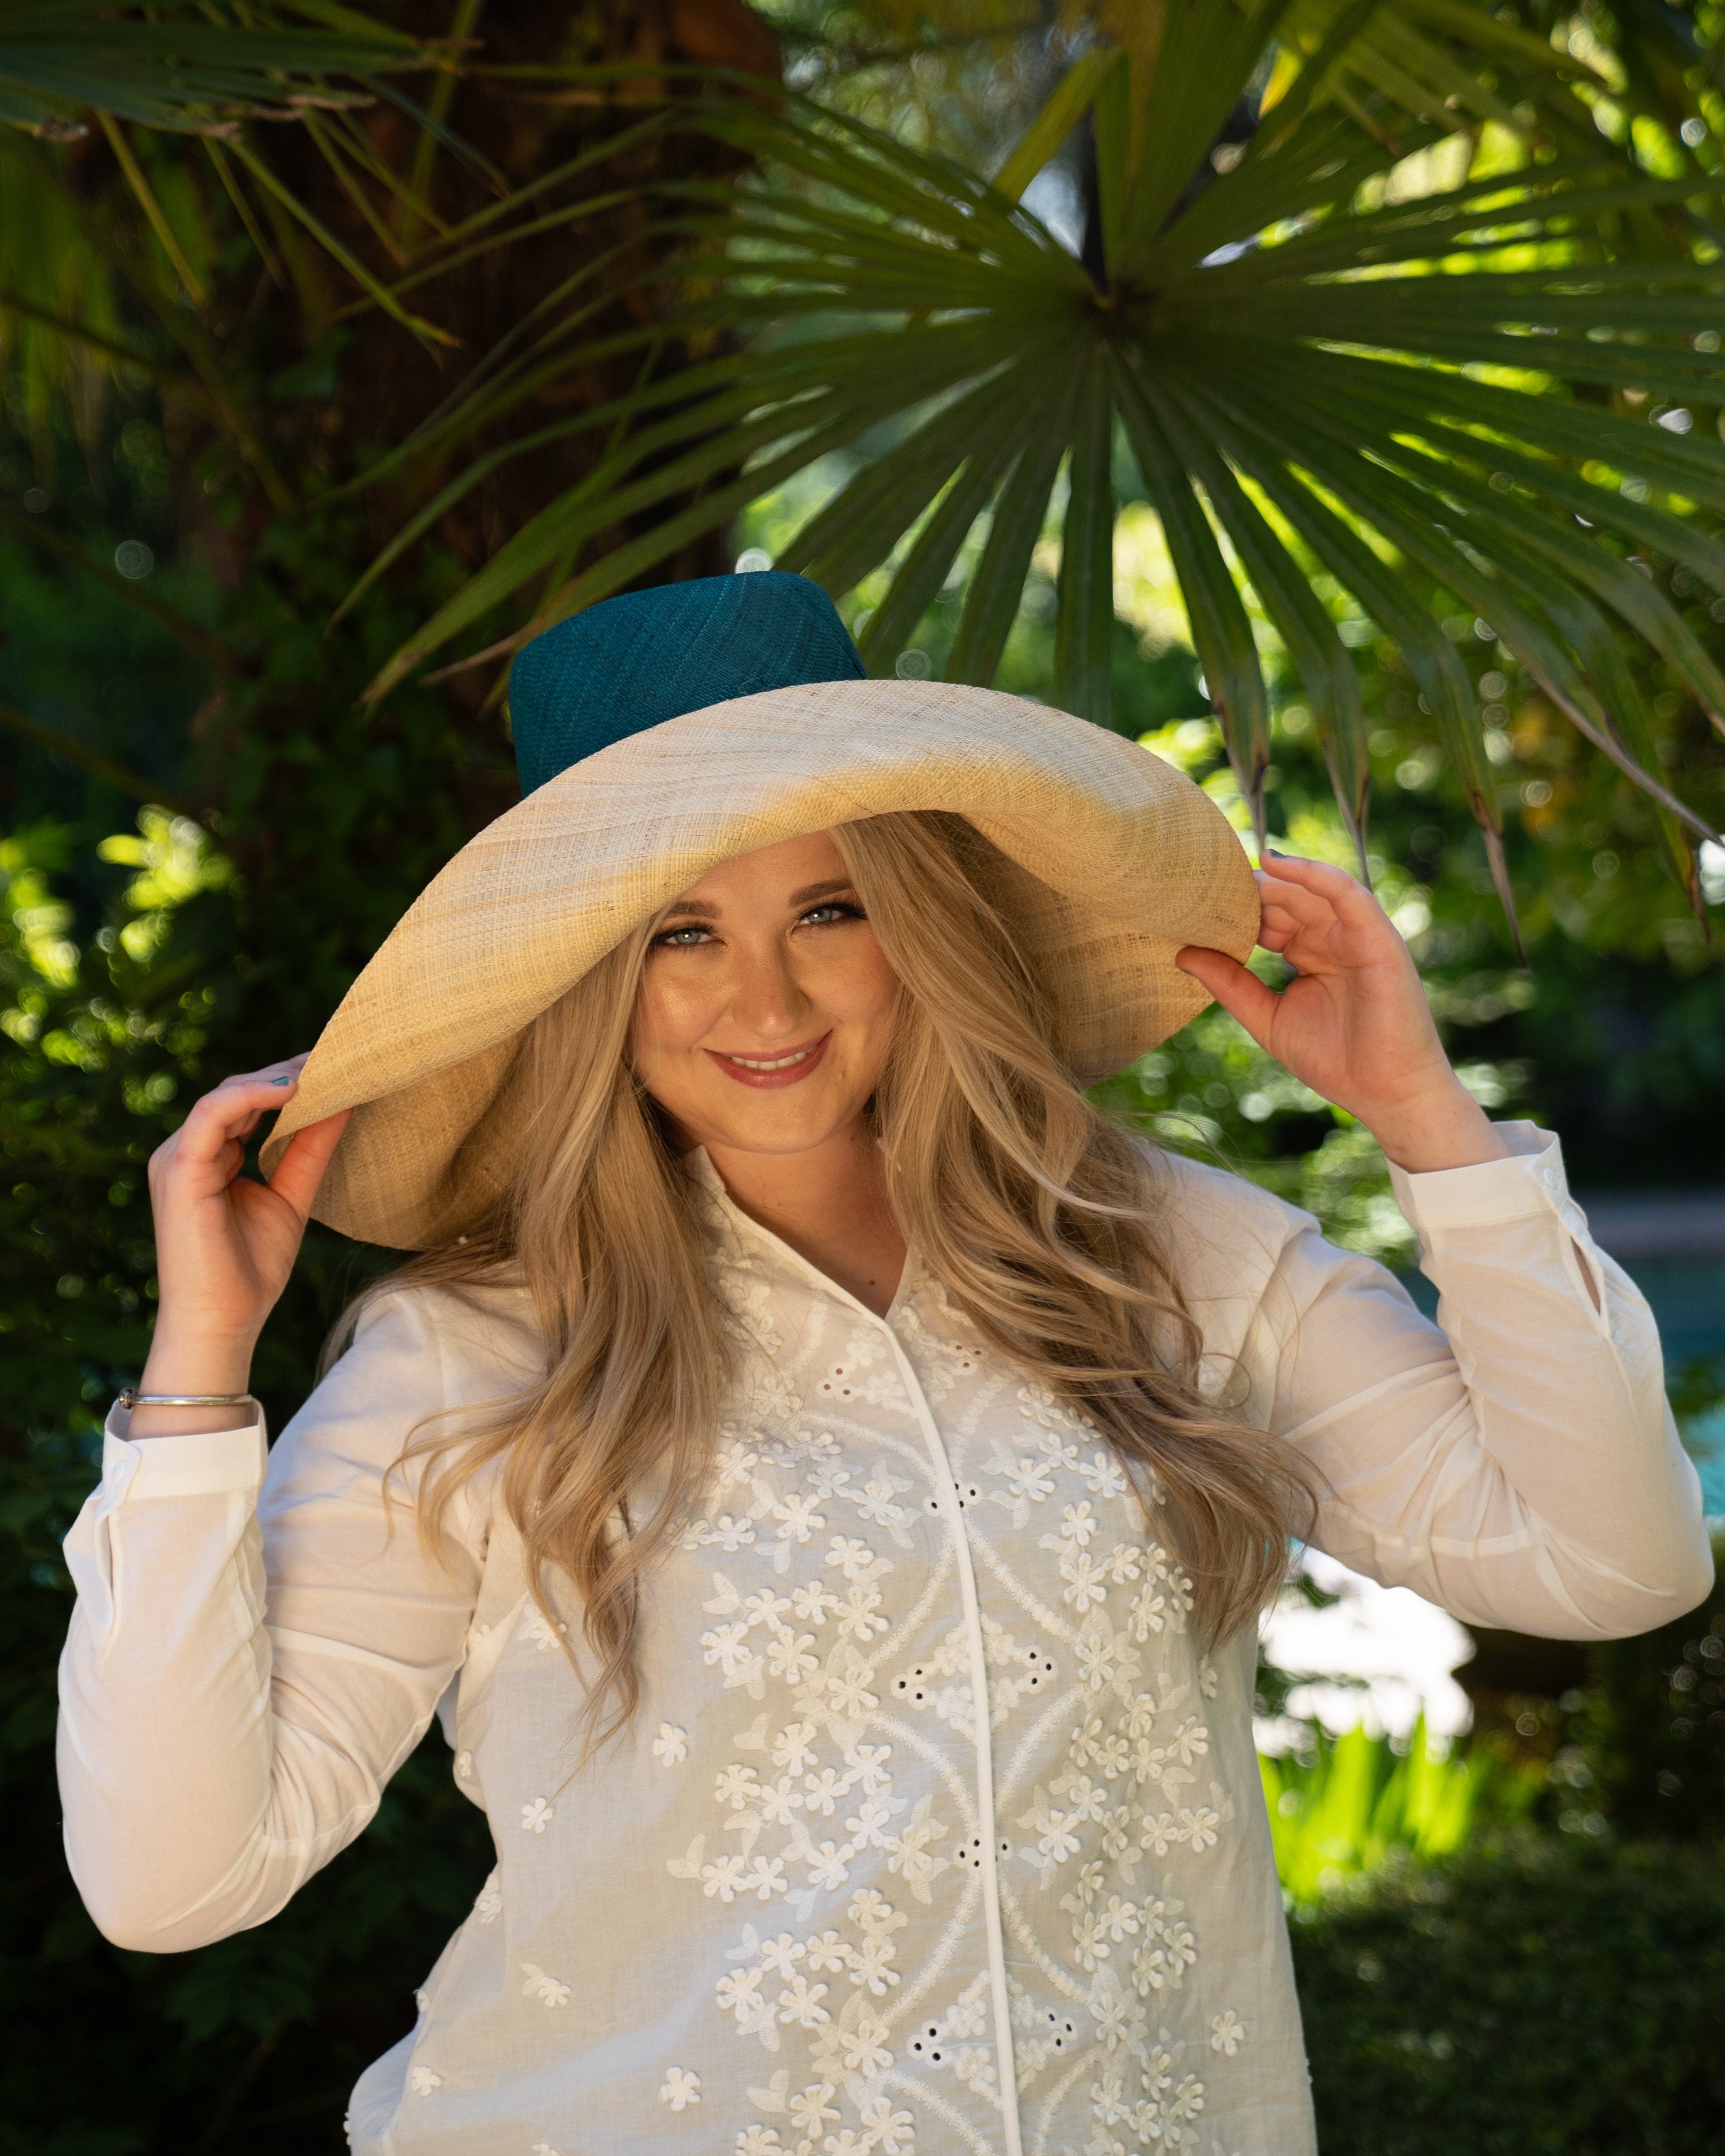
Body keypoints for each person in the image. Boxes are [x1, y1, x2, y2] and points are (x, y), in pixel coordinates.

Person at [58, 573, 1710, 2156]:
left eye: (828, 907)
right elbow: (176, 1881)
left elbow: (1613, 1562)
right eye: (678, 933)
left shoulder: (1166, 1255)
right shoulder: (472, 1357)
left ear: (920, 922)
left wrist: (1434, 1128)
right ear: (589, 981)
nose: (760, 994)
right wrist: (199, 1367)